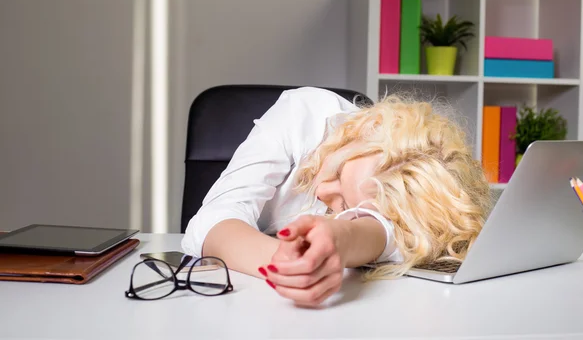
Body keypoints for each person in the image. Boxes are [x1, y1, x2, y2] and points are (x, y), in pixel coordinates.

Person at [181, 86, 491, 306]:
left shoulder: (403, 201)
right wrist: (286, 262)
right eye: (339, 172)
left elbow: (388, 235)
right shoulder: (302, 114)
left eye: (344, 205)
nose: (322, 192)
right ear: (364, 129)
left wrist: (342, 237)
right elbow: (211, 222)